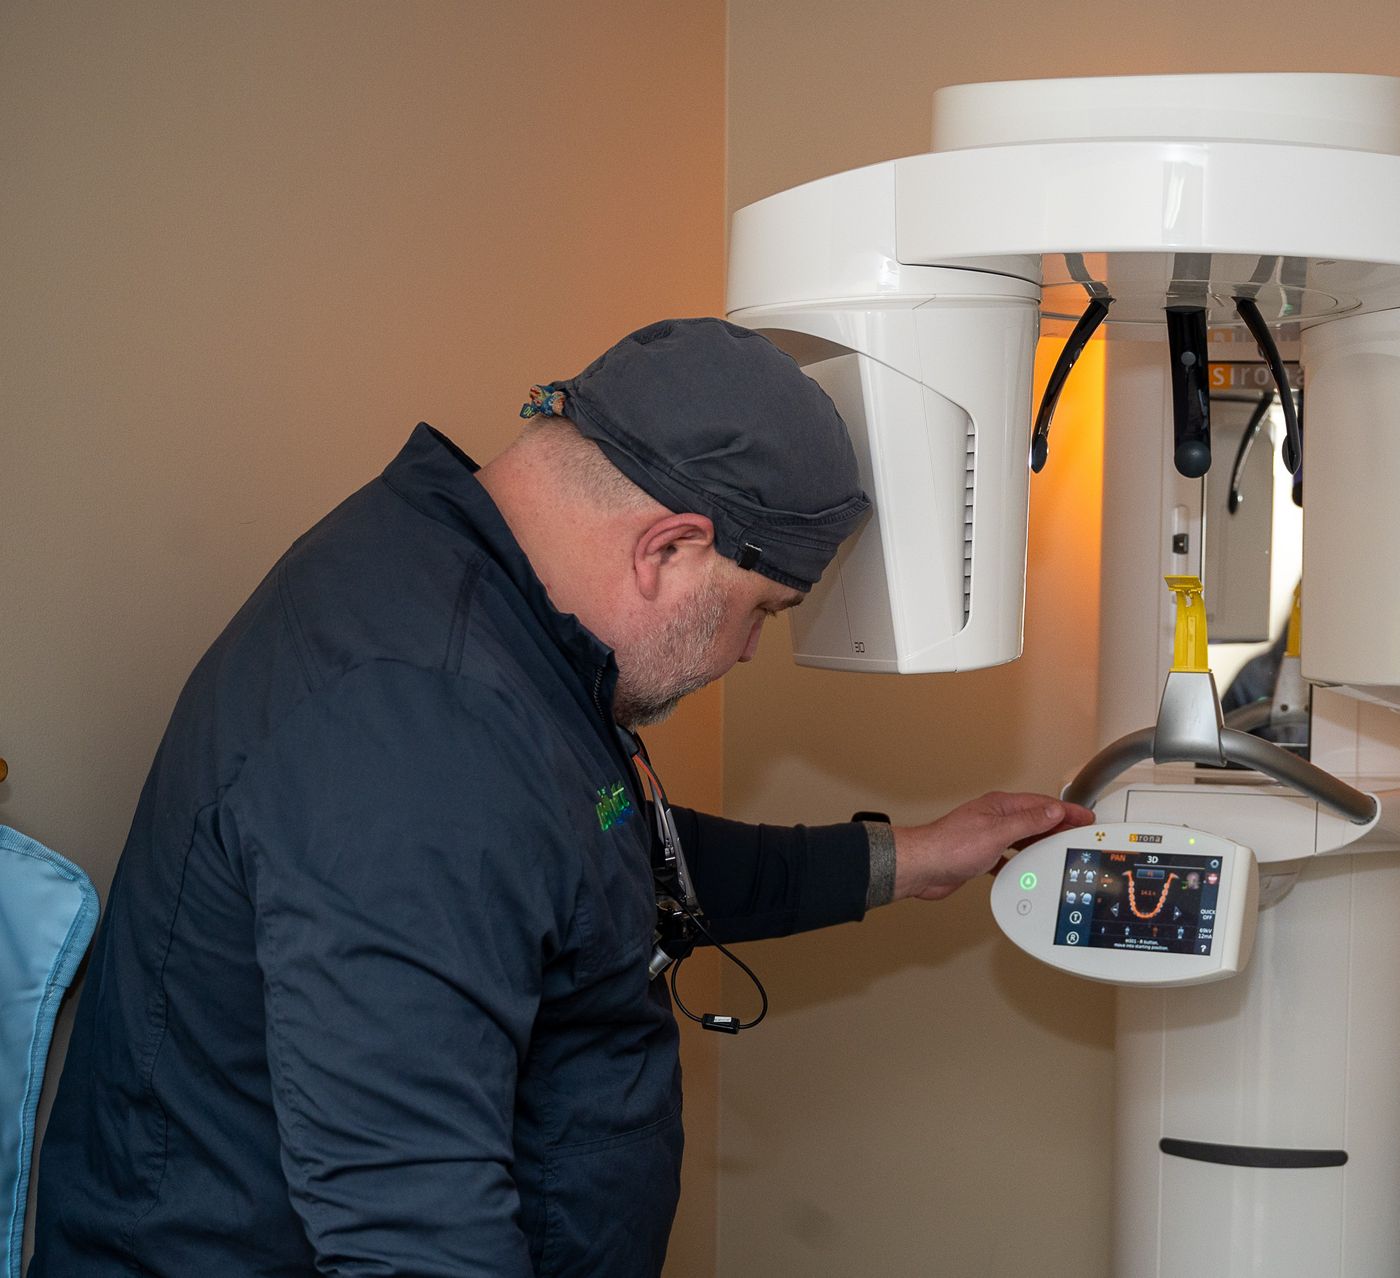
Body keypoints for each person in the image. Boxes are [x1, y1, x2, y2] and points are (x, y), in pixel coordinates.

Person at [33, 318, 1092, 1277]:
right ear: (668, 550)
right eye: (759, 611)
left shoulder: (486, 593)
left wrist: (905, 859)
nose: (748, 651)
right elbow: (411, 1217)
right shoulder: (421, 734)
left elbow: (599, 860)